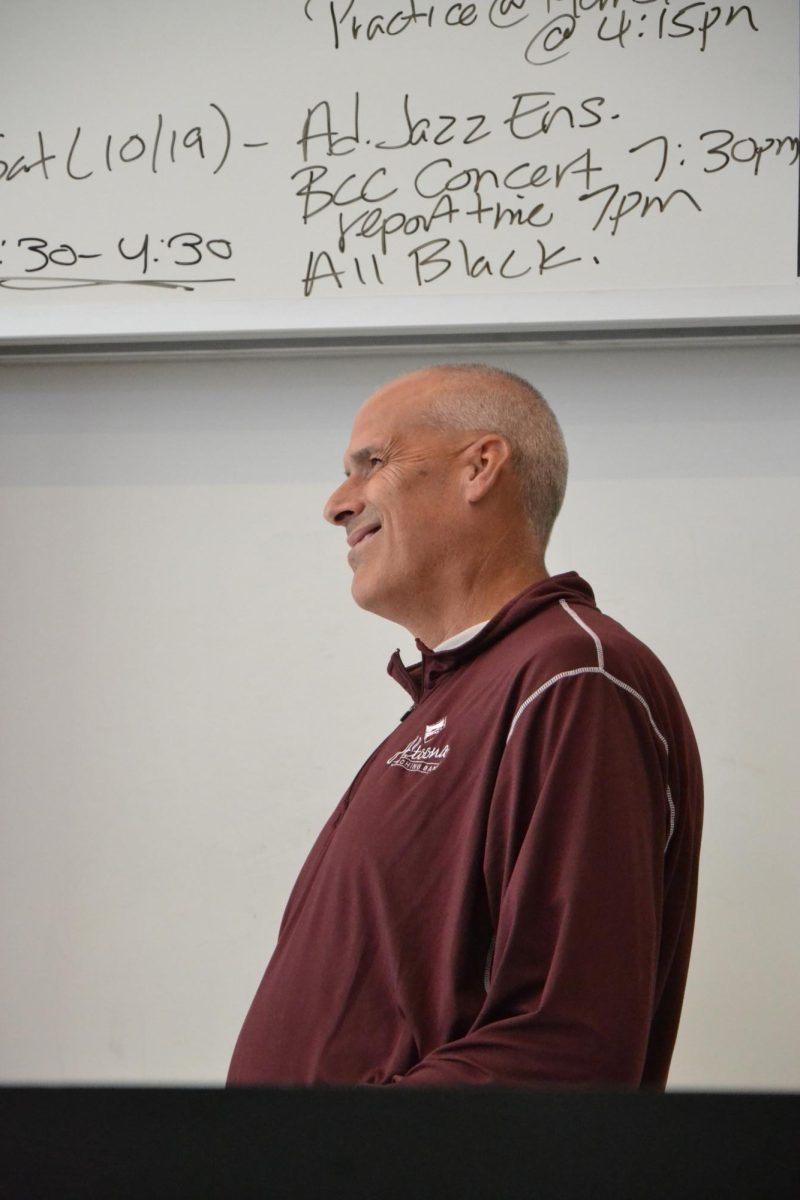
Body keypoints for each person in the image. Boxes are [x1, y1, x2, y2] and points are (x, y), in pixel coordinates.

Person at [227, 363, 703, 1088]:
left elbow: (565, 1044)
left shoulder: (573, 679)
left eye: (372, 464)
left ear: (480, 467)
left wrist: (323, 1156)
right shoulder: (466, 690)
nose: (336, 504)